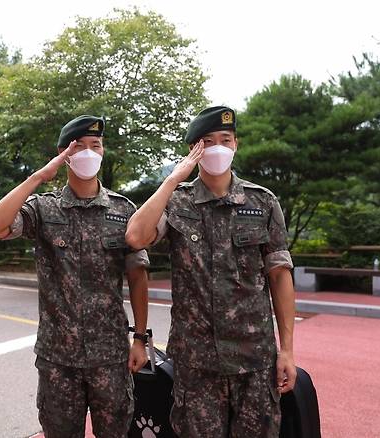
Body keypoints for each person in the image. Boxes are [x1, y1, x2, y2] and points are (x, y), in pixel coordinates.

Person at [125, 106, 297, 437]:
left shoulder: (262, 202)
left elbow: (279, 274)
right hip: (196, 365)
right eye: (207, 141)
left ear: (236, 144)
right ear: (194, 150)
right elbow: (135, 236)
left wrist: (286, 349)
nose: (217, 147)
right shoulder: (177, 202)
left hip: (255, 361)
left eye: (225, 139)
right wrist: (174, 178)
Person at [0, 115, 150, 438]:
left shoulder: (123, 210)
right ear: (64, 153)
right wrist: (40, 176)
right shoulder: (45, 209)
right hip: (58, 361)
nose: (89, 153)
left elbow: (138, 275)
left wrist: (140, 339)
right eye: (80, 147)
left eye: (95, 146)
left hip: (110, 358)